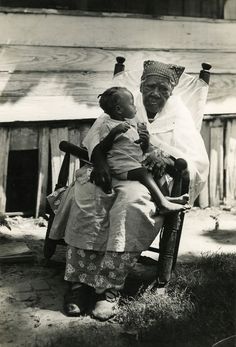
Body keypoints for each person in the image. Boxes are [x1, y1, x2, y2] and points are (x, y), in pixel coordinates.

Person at [48, 60, 209, 321]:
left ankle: (108, 290)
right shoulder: (122, 107)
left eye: (163, 89)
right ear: (141, 87)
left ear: (171, 92)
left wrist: (162, 159)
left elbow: (191, 160)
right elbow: (95, 140)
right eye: (150, 87)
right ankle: (79, 286)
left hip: (151, 180)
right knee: (89, 196)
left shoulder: (179, 116)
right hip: (110, 170)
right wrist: (99, 163)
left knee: (129, 205)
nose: (155, 93)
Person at [96, 86, 189, 214]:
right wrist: (114, 133)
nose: (135, 107)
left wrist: (144, 142)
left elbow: (137, 148)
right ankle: (162, 204)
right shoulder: (107, 125)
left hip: (133, 163)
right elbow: (103, 147)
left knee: (152, 170)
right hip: (120, 166)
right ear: (119, 109)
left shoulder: (130, 124)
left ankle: (164, 198)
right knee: (143, 174)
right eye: (131, 104)